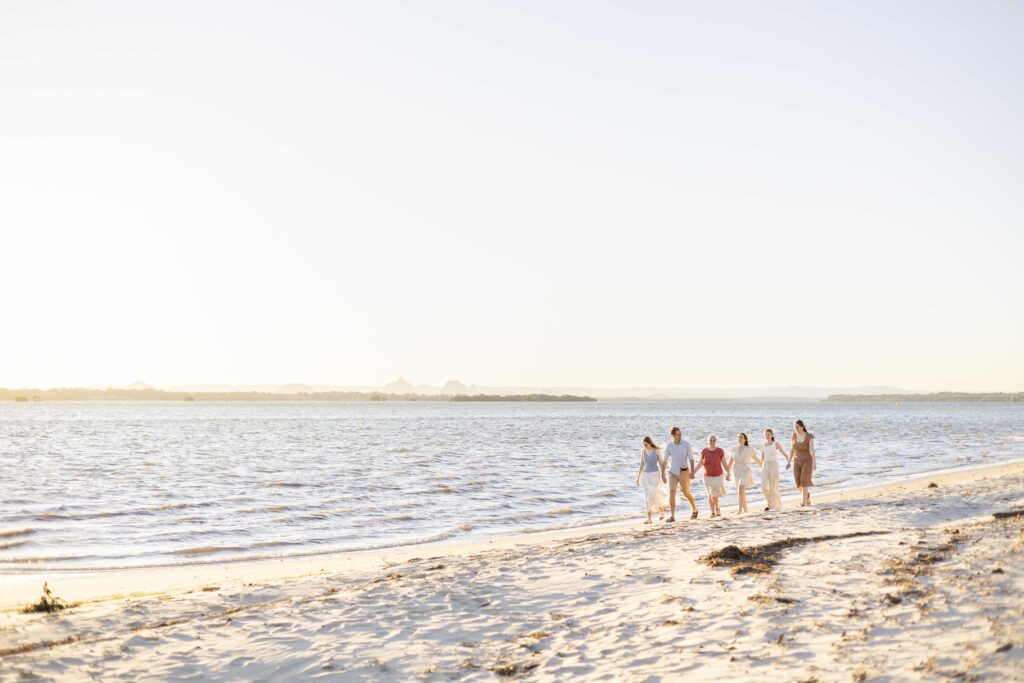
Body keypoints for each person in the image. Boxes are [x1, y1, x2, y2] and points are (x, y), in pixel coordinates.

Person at [662, 426, 698, 522]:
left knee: (686, 493)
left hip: (684, 472)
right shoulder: (669, 446)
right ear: (673, 435)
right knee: (672, 492)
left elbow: (691, 458)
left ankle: (694, 509)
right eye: (678, 434)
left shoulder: (686, 444)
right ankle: (672, 516)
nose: (680, 435)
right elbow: (665, 460)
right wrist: (663, 473)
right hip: (673, 472)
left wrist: (693, 471)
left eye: (680, 433)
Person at [694, 435, 730, 517]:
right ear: (708, 441)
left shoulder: (720, 451)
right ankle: (713, 512)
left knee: (714, 494)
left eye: (714, 440)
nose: (712, 441)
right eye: (711, 440)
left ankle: (716, 508)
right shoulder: (704, 451)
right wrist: (694, 472)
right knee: (710, 494)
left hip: (718, 476)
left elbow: (724, 463)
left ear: (716, 442)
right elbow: (700, 463)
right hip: (707, 476)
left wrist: (728, 472)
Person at [635, 436, 667, 524]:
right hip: (645, 476)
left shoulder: (656, 450)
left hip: (655, 475)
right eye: (643, 445)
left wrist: (664, 474)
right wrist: (638, 477)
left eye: (646, 444)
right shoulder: (643, 451)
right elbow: (641, 464)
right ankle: (649, 519)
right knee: (647, 497)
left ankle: (661, 510)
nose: (645, 446)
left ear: (650, 443)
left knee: (654, 493)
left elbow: (661, 463)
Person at [725, 433, 760, 514]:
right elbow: (730, 462)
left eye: (741, 437)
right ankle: (746, 511)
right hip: (736, 471)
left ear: (745, 439)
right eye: (738, 437)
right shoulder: (734, 449)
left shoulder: (749, 449)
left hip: (745, 470)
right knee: (741, 491)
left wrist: (763, 467)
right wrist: (727, 473)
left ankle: (740, 510)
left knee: (741, 488)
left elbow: (756, 459)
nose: (739, 439)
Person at [788, 419, 817, 506]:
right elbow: (792, 449)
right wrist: (788, 461)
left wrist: (814, 462)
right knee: (798, 482)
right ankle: (806, 495)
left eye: (797, 427)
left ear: (802, 427)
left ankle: (804, 502)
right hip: (797, 461)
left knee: (804, 480)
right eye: (795, 427)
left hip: (807, 461)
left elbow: (812, 450)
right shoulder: (794, 436)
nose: (796, 429)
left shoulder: (809, 436)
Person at [760, 428, 788, 511]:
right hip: (765, 465)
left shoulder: (775, 444)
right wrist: (761, 468)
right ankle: (771, 502)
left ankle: (770, 505)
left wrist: (788, 460)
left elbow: (784, 453)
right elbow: (762, 458)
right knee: (764, 486)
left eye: (768, 434)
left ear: (772, 435)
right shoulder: (763, 445)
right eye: (765, 435)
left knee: (772, 487)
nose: (767, 436)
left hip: (774, 465)